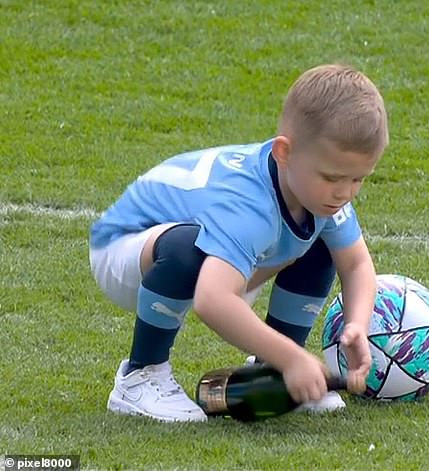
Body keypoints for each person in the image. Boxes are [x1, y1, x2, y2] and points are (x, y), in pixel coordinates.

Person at [89, 64, 389, 422]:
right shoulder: (247, 205)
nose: (345, 192)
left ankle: (272, 369)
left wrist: (356, 324)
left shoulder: (317, 191)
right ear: (284, 152)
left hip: (221, 259)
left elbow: (355, 265)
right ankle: (140, 376)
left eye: (358, 179)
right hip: (124, 251)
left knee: (322, 244)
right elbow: (212, 301)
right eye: (332, 177)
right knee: (189, 247)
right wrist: (295, 360)